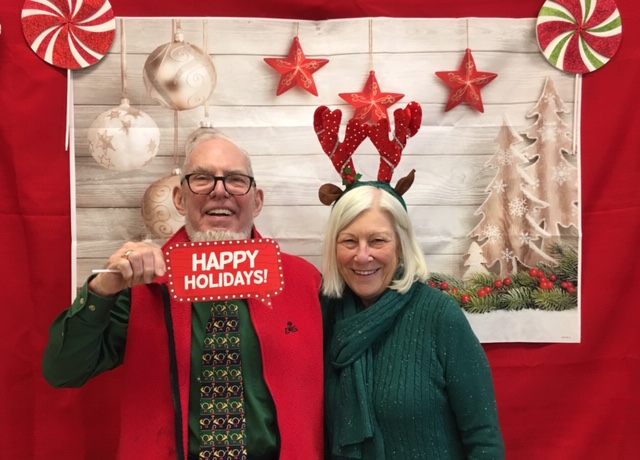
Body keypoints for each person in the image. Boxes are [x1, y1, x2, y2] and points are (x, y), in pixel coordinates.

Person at [43, 127, 324, 460]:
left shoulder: (305, 281)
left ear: (257, 200)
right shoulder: (141, 286)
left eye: (235, 180)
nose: (220, 191)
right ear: (179, 198)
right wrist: (103, 288)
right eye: (202, 179)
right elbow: (64, 371)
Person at [320, 181, 505, 459]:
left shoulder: (440, 316)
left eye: (377, 240)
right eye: (349, 241)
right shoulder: (324, 315)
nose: (362, 255)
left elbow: (484, 439)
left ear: (401, 245)